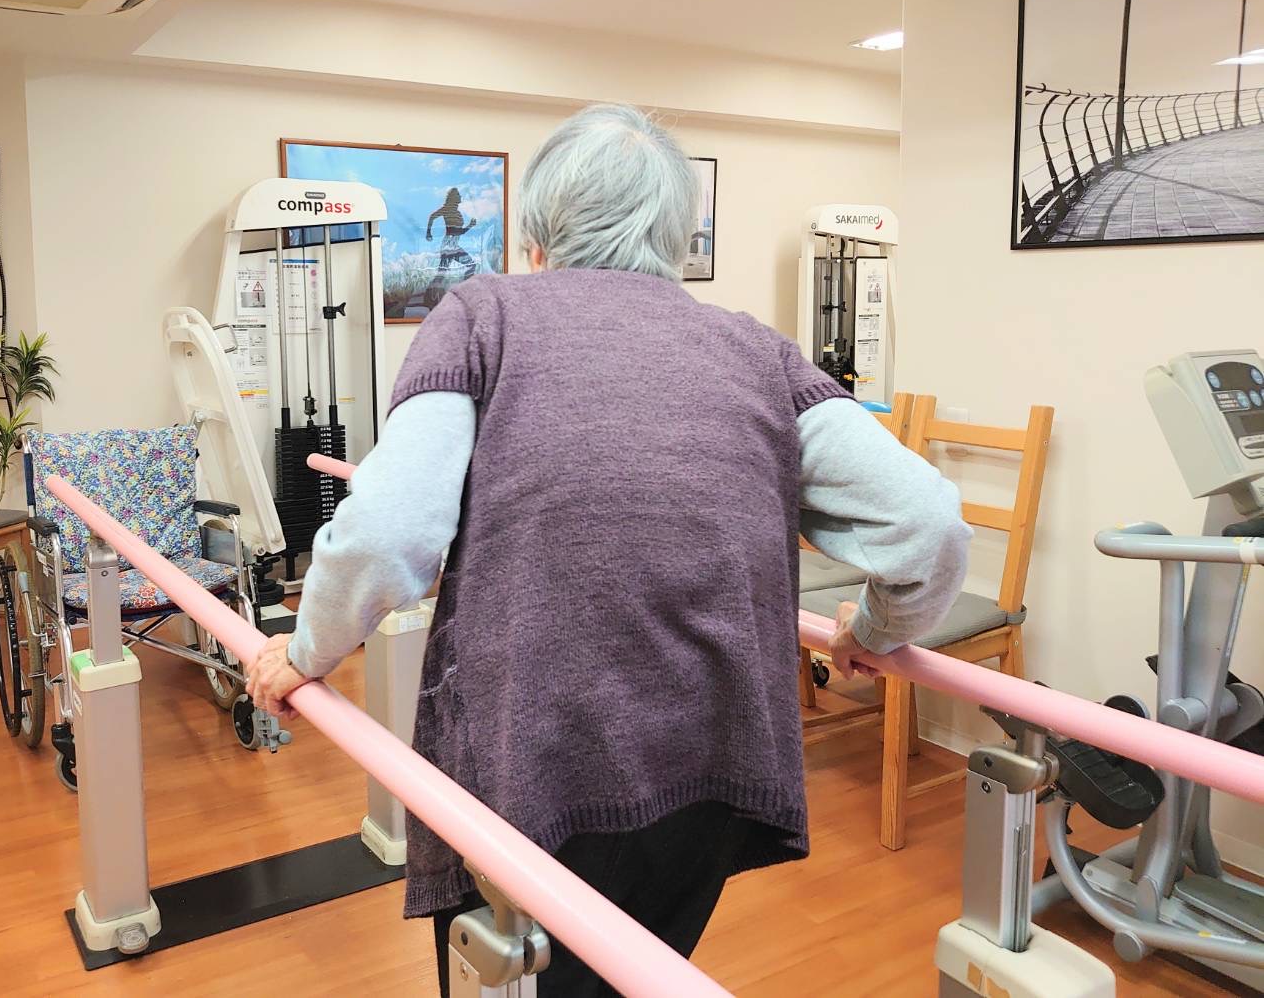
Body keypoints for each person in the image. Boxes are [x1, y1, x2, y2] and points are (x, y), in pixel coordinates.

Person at [247, 103, 969, 996]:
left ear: (536, 234)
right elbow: (928, 523)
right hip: (715, 761)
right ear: (678, 236)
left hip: (538, 760)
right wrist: (877, 630)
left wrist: (304, 652)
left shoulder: (481, 315)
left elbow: (390, 527)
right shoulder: (759, 350)